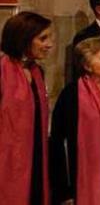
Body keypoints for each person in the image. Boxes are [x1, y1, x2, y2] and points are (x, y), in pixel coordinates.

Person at [50, 36, 100, 205]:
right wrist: (64, 191)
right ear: (87, 65)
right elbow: (58, 143)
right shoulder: (72, 95)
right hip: (83, 182)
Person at [0, 11, 53, 205]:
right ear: (23, 39)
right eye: (43, 38)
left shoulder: (36, 71)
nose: (49, 44)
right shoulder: (2, 70)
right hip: (7, 163)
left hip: (35, 156)